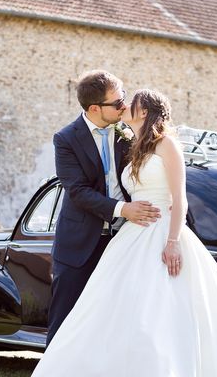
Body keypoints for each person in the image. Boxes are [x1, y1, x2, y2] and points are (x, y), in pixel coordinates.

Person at [33, 89, 217, 376]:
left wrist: (172, 241)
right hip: (131, 236)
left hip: (163, 232)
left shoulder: (167, 144)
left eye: (131, 102)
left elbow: (180, 199)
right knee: (113, 312)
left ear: (144, 111)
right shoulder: (134, 145)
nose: (125, 105)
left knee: (159, 314)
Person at [46, 70, 161, 346]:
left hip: (124, 243)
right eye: (118, 102)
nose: (125, 105)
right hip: (78, 245)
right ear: (95, 108)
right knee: (65, 323)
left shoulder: (127, 133)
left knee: (113, 325)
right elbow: (78, 192)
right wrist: (124, 210)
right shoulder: (65, 140)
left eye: (124, 98)